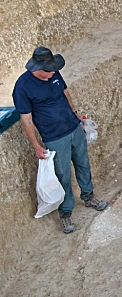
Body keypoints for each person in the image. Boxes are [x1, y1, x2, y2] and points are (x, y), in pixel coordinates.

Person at [12, 46, 107, 234]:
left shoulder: (53, 73)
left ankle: (89, 196)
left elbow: (65, 93)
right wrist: (36, 146)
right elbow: (26, 118)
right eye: (49, 70)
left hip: (73, 128)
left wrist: (76, 115)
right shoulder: (22, 87)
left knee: (83, 164)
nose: (54, 72)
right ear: (36, 68)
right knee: (62, 174)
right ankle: (65, 213)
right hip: (54, 137)